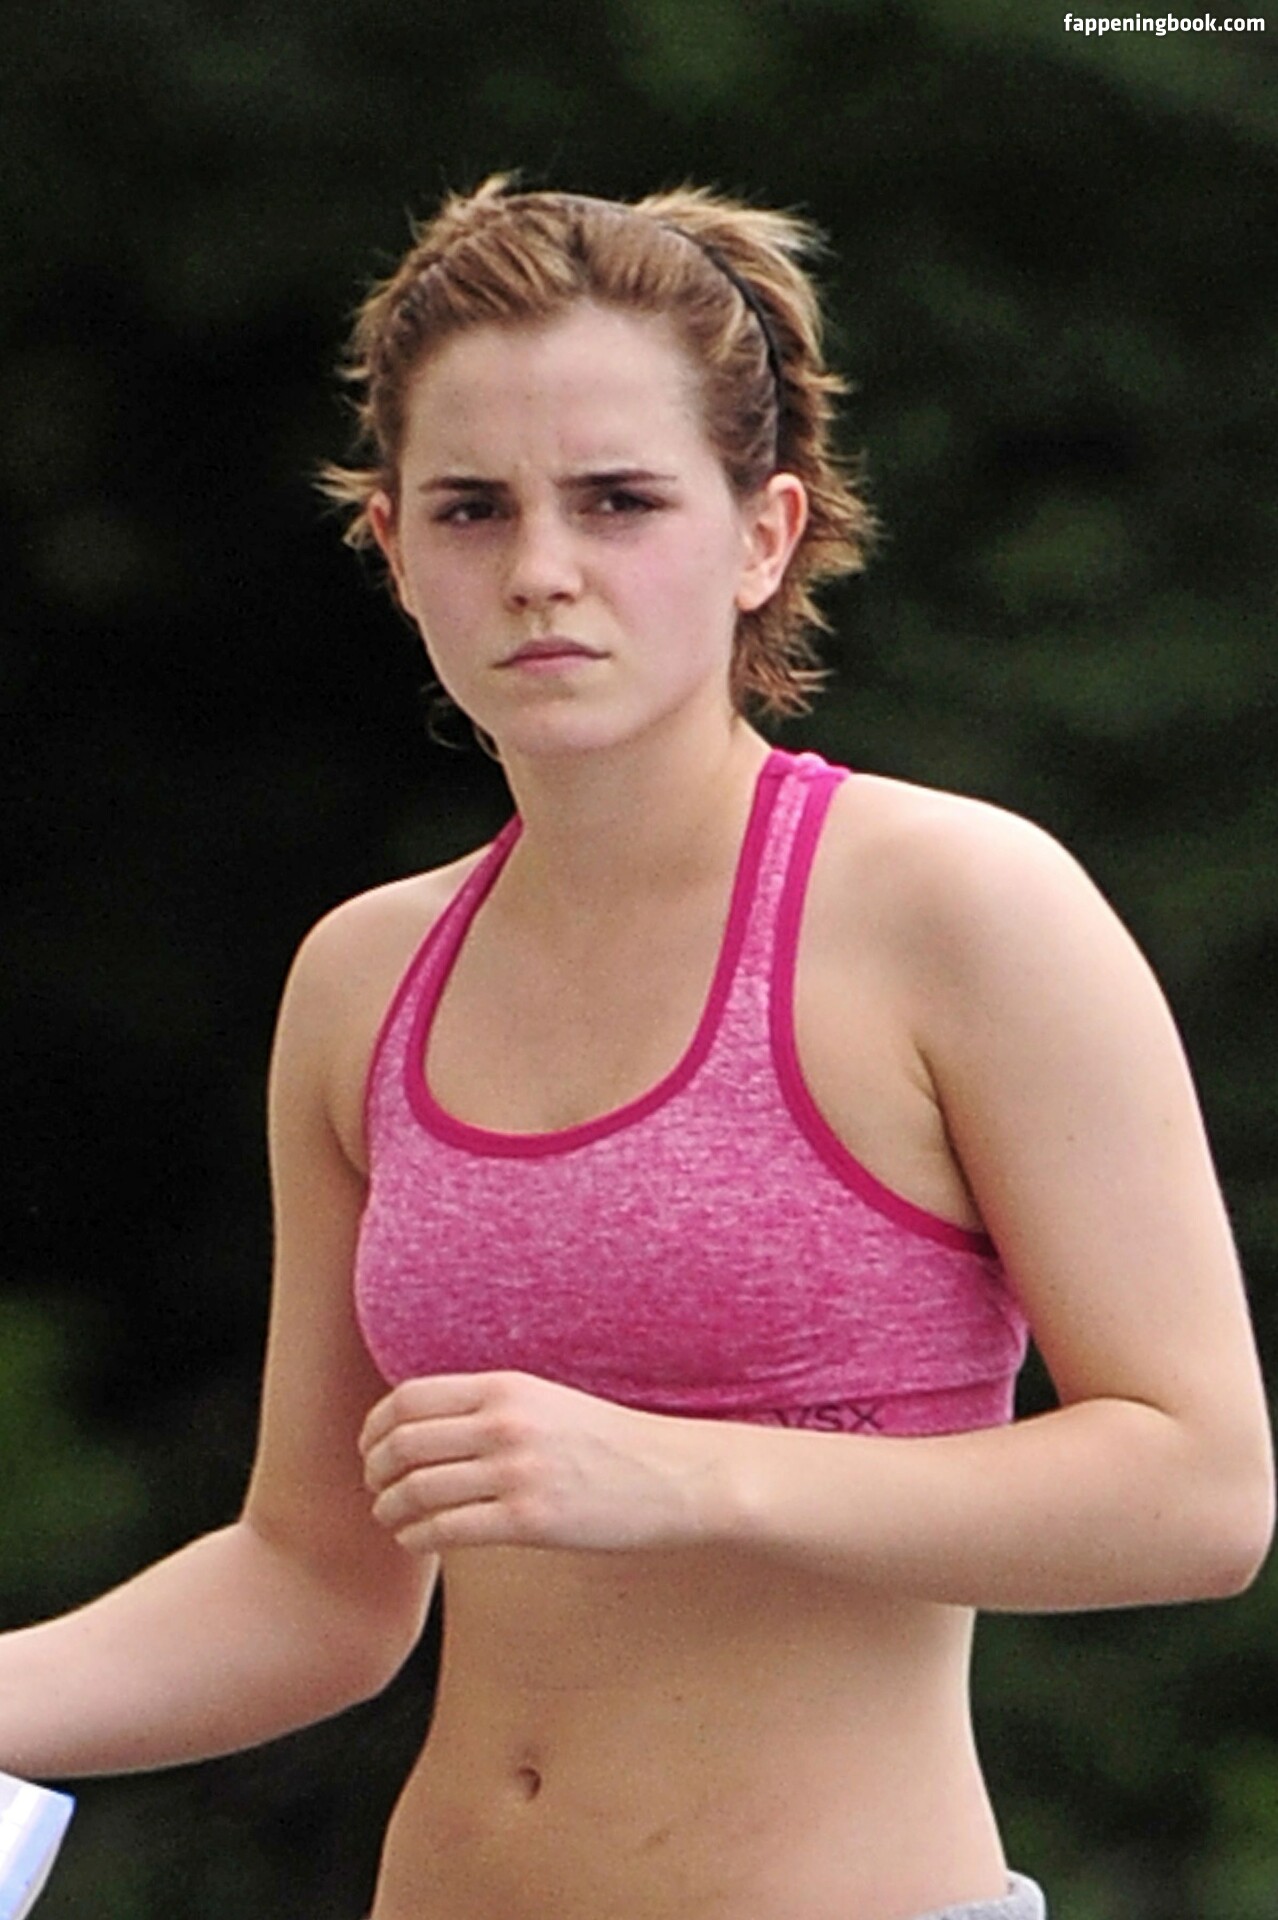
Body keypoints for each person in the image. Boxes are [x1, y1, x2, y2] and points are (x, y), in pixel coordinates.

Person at [1, 176, 1272, 1920]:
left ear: (762, 533)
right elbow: (313, 1584)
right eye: (471, 508)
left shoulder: (955, 906)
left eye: (617, 500)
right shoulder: (364, 977)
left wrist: (683, 1474)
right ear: (391, 549)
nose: (541, 571)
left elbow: (1199, 1490)